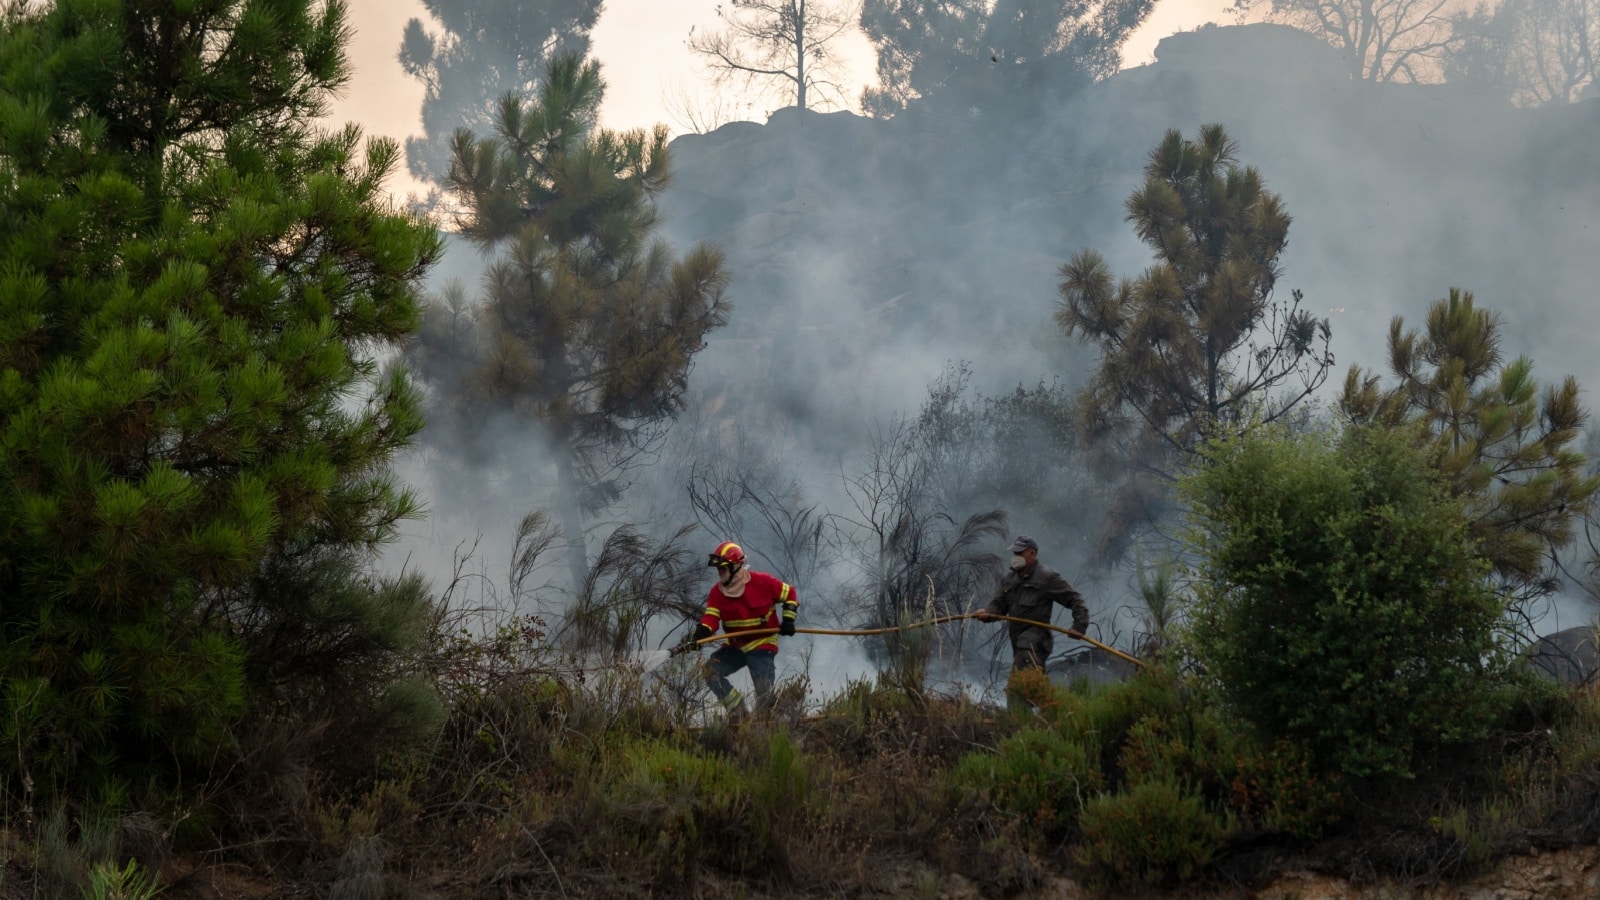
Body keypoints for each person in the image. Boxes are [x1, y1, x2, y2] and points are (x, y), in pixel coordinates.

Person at [681, 541, 799, 717]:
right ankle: (738, 711)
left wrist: (788, 620)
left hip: (762, 643)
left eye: (723, 568)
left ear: (736, 566)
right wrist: (700, 635)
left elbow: (789, 593)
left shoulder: (763, 582)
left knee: (764, 693)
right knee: (710, 672)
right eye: (718, 569)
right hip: (735, 646)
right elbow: (711, 618)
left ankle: (767, 720)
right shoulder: (717, 593)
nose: (719, 572)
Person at [974, 534, 1088, 712]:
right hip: (1018, 641)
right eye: (1014, 552)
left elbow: (1075, 599)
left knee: (1018, 684)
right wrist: (987, 613)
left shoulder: (1047, 577)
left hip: (1036, 641)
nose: (1015, 556)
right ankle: (1056, 714)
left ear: (1032, 554)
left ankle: (1015, 723)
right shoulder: (1010, 579)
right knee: (1034, 687)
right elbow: (998, 605)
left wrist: (1079, 626)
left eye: (1019, 553)